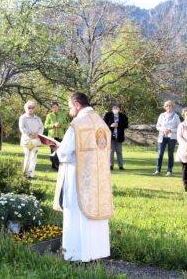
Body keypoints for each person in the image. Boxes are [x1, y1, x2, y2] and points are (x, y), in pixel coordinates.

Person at [53, 92, 114, 262]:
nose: (70, 109)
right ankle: (96, 252)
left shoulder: (78, 124)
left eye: (70, 106)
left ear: (78, 105)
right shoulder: (101, 123)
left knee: (76, 211)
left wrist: (57, 150)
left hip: (77, 176)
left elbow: (65, 152)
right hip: (97, 177)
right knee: (93, 214)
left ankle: (76, 254)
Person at [154, 100, 180, 176]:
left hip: (172, 138)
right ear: (165, 107)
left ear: (172, 107)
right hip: (162, 137)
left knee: (170, 154)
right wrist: (163, 129)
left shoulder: (176, 116)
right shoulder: (161, 115)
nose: (169, 107)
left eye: (170, 106)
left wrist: (170, 130)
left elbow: (179, 128)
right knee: (160, 154)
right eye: (167, 106)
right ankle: (158, 170)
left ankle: (169, 170)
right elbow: (157, 126)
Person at [19, 101, 44, 179]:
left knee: (34, 157)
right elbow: (22, 128)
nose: (31, 109)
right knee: (27, 156)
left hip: (36, 140)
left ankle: (31, 174)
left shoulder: (37, 118)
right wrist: (30, 134)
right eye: (29, 107)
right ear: (26, 108)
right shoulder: (23, 117)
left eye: (32, 107)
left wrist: (38, 134)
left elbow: (41, 127)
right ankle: (25, 173)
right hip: (27, 140)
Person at [103, 103, 129, 170]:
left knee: (119, 151)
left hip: (119, 136)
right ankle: (111, 165)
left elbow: (126, 125)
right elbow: (103, 124)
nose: (115, 109)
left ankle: (121, 166)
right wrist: (110, 126)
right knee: (111, 151)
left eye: (117, 108)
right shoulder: (108, 115)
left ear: (119, 109)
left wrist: (118, 125)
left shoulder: (123, 116)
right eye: (114, 108)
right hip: (110, 136)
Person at [44, 102, 68, 171]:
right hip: (52, 136)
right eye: (53, 107)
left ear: (58, 107)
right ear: (51, 108)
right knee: (53, 151)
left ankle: (59, 165)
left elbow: (67, 124)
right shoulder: (49, 115)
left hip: (60, 136)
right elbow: (45, 126)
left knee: (60, 151)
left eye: (56, 107)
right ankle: (54, 165)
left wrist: (60, 125)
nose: (55, 108)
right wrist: (53, 125)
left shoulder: (63, 114)